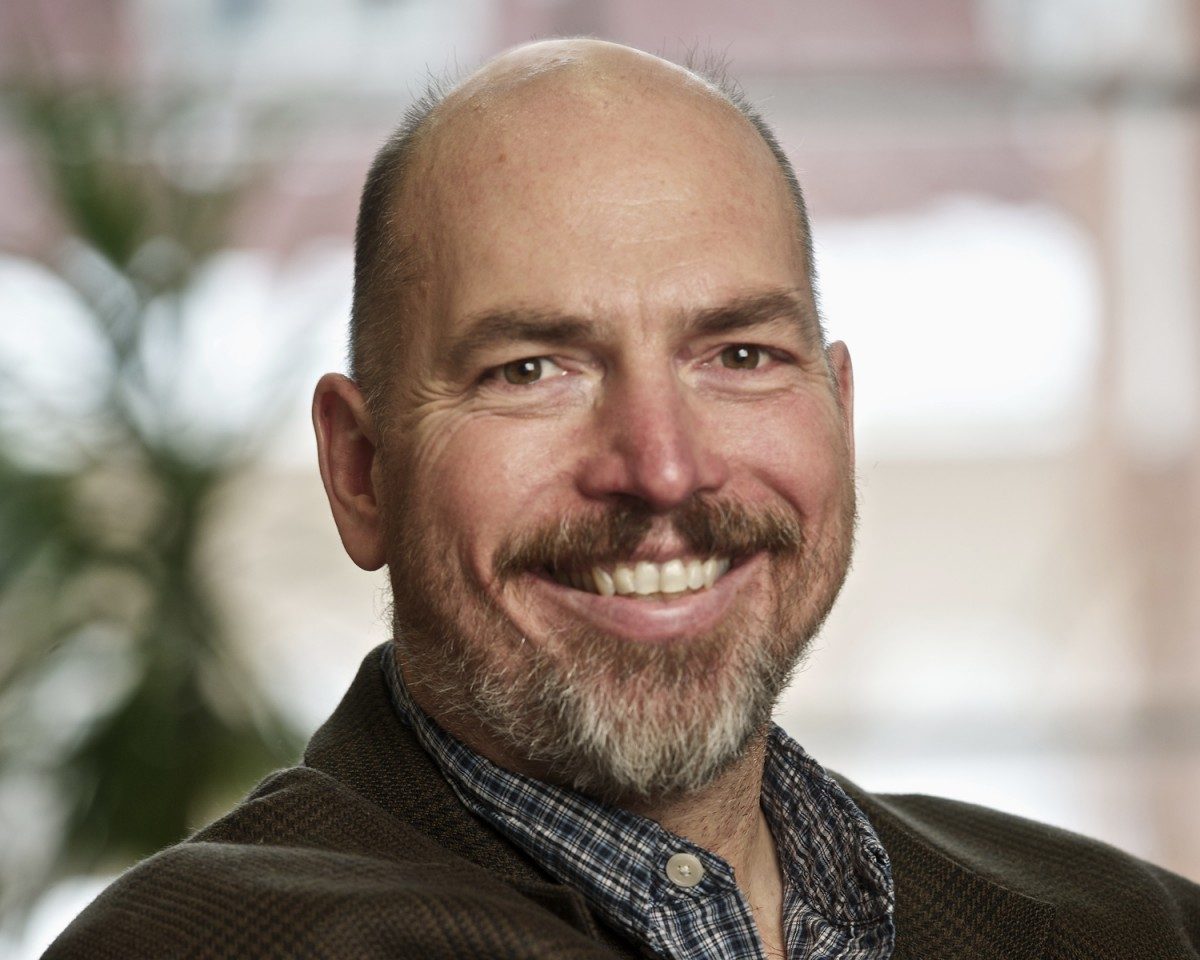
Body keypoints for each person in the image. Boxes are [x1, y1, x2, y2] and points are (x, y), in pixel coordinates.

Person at [45, 38, 1199, 960]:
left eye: (740, 355)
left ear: (840, 416)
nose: (661, 467)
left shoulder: (1127, 929)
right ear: (361, 470)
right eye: (532, 370)